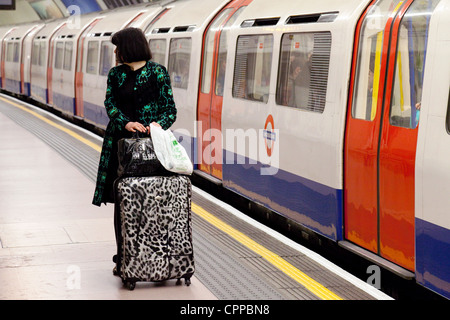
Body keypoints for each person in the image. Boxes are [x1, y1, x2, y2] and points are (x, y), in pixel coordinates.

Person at [92, 27, 177, 207]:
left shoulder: (158, 72)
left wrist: (157, 125)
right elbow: (110, 104)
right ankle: (124, 234)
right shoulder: (115, 74)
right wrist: (126, 123)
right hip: (119, 141)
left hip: (152, 144)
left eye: (118, 46)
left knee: (150, 196)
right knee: (122, 196)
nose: (115, 51)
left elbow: (170, 110)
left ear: (129, 47)